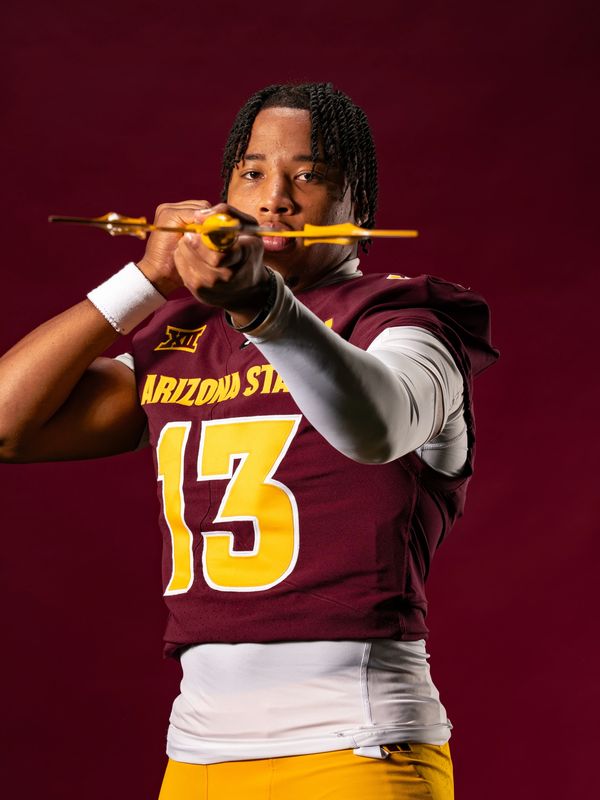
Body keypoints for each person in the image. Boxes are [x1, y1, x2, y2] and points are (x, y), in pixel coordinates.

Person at [0, 83, 498, 799]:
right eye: (253, 172)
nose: (275, 200)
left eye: (311, 174)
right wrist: (143, 278)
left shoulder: (406, 320)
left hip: (353, 744)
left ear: (359, 203)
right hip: (200, 751)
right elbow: (7, 426)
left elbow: (378, 428)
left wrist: (264, 305)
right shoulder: (186, 336)